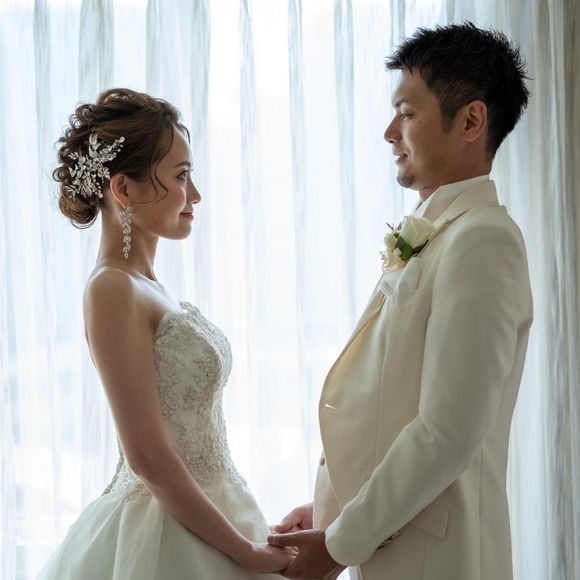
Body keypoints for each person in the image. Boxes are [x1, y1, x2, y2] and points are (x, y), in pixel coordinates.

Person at [269, 22, 533, 580]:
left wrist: (337, 545)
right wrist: (330, 512)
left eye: (406, 113)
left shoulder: (484, 240)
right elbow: (390, 408)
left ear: (471, 121)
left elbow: (447, 431)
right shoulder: (440, 234)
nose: (390, 132)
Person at [37, 88, 293, 579]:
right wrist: (245, 552)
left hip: (215, 510)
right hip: (161, 537)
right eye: (180, 176)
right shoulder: (111, 288)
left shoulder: (149, 287)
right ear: (123, 189)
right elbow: (148, 457)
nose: (195, 195)